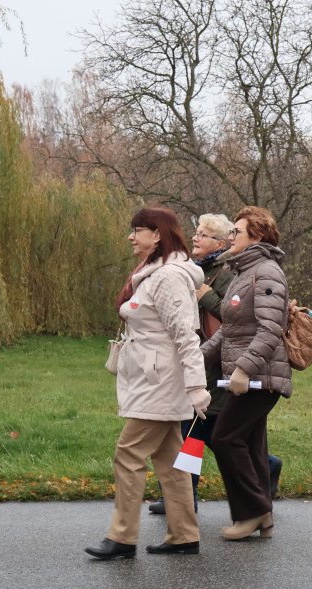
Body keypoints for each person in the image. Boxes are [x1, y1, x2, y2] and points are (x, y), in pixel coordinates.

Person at [85, 207, 211, 560]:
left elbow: (187, 335)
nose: (131, 236)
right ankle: (184, 534)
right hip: (153, 378)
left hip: (161, 382)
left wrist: (196, 387)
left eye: (137, 230)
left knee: (128, 454)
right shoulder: (152, 273)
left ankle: (122, 537)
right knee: (171, 459)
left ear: (157, 234)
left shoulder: (168, 276)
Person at [149, 214, 283, 515]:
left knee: (196, 431)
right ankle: (263, 473)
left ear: (220, 243)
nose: (195, 238)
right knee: (205, 432)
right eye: (196, 232)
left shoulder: (227, 273)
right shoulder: (199, 271)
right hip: (205, 357)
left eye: (204, 234)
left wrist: (207, 298)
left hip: (224, 366)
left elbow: (236, 320)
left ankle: (187, 498)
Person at [201, 206, 291, 540]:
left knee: (224, 437)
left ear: (257, 236)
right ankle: (262, 516)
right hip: (248, 375)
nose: (230, 237)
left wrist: (242, 369)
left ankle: (252, 512)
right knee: (250, 445)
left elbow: (270, 330)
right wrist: (198, 358)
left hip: (261, 378)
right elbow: (230, 330)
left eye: (236, 232)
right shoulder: (243, 272)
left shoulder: (266, 272)